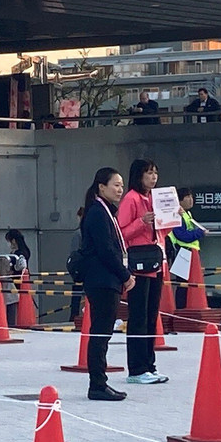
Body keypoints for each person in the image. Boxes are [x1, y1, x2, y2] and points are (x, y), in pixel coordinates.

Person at [79, 167, 135, 401]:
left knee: (103, 333)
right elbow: (106, 251)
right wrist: (125, 275)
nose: (120, 189)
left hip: (106, 279)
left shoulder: (106, 212)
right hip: (102, 280)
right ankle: (97, 384)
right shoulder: (97, 213)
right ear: (101, 187)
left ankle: (101, 382)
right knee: (100, 333)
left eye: (122, 185)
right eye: (116, 185)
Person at [116, 159, 168, 385]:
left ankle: (149, 365)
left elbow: (163, 231)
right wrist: (141, 222)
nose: (153, 177)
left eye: (155, 173)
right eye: (148, 173)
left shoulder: (155, 198)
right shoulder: (131, 199)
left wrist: (170, 217)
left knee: (150, 316)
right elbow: (121, 233)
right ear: (138, 176)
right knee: (138, 317)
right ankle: (136, 368)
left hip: (156, 263)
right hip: (139, 265)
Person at [167, 188, 209, 310]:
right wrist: (199, 233)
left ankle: (185, 307)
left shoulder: (187, 214)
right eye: (188, 197)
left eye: (192, 196)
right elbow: (182, 235)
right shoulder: (178, 214)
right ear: (179, 200)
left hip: (190, 252)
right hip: (182, 251)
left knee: (188, 283)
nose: (191, 200)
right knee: (183, 283)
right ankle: (181, 309)